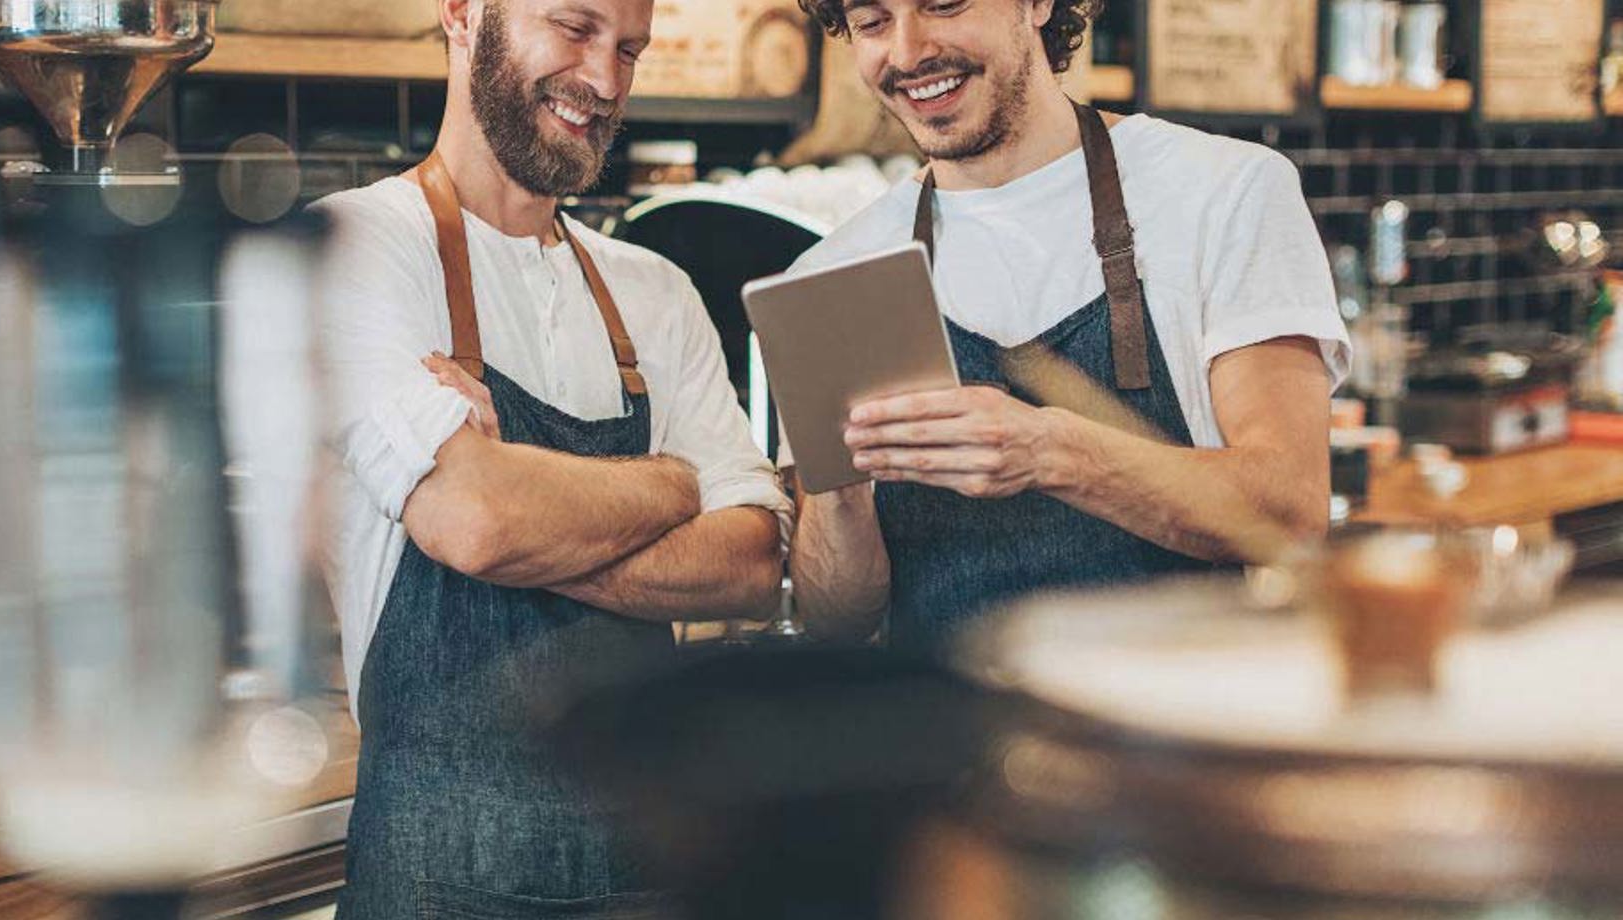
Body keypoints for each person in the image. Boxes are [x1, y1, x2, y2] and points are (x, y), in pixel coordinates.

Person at [310, 0, 790, 915]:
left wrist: (532, 509)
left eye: (629, 50)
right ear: (462, 15)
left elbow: (753, 562)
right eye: (574, 27)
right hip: (432, 884)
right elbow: (477, 522)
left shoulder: (657, 292)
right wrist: (673, 481)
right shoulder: (355, 245)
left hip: (646, 880)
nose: (605, 81)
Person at [786, 0, 1350, 653]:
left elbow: (1291, 512)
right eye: (872, 22)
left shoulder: (1225, 193)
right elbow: (836, 619)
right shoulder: (840, 272)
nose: (908, 52)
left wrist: (1048, 451)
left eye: (943, 5)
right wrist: (840, 498)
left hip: (1172, 729)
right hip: (943, 738)